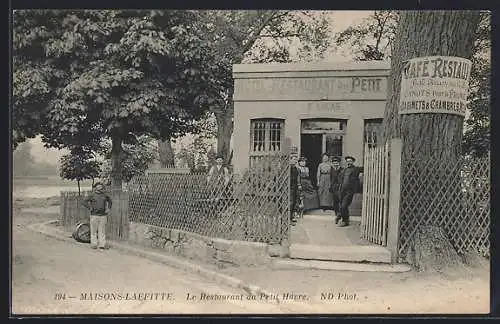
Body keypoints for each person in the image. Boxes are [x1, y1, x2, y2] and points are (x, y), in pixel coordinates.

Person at [82, 182, 112, 250]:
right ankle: (94, 244)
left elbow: (110, 201)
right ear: (95, 187)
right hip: (94, 215)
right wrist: (90, 208)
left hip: (103, 216)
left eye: (100, 186)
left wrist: (108, 209)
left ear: (102, 187)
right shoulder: (92, 195)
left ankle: (102, 245)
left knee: (102, 231)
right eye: (97, 186)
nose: (99, 187)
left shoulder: (105, 195)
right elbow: (84, 202)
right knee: (93, 231)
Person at [337, 156, 362, 227]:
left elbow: (365, 168)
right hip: (342, 190)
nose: (349, 162)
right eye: (347, 161)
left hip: (349, 191)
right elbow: (340, 179)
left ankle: (344, 220)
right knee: (342, 205)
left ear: (353, 162)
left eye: (350, 161)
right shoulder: (344, 170)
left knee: (344, 205)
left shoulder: (356, 169)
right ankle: (344, 219)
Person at [329, 156, 343, 223]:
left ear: (339, 163)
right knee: (335, 201)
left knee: (341, 201)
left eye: (337, 163)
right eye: (334, 163)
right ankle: (337, 214)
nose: (335, 164)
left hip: (340, 187)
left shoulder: (342, 170)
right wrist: (331, 186)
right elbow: (331, 179)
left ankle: (340, 214)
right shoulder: (332, 170)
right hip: (334, 188)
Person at [289, 154, 301, 225]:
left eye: (296, 160)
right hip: (289, 187)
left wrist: (298, 185)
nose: (295, 161)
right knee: (290, 203)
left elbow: (297, 178)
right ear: (290, 160)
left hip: (295, 187)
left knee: (294, 202)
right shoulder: (288, 168)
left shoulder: (296, 169)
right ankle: (288, 218)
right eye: (293, 159)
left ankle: (291, 217)